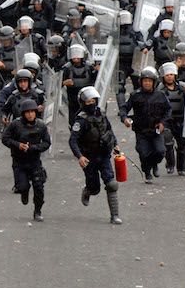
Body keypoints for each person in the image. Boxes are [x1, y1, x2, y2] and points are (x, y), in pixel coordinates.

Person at [69, 87, 122, 224]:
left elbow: (109, 130)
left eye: (93, 100)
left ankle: (114, 216)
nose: (91, 103)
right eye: (88, 102)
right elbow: (73, 140)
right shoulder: (80, 121)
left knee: (112, 184)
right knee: (95, 188)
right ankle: (88, 191)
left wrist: (115, 144)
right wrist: (80, 156)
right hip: (89, 158)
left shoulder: (101, 114)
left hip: (104, 156)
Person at [119, 66, 171, 184]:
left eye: (149, 81)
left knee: (160, 151)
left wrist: (163, 123)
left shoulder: (161, 95)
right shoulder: (135, 95)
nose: (147, 83)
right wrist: (125, 119)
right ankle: (147, 173)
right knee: (143, 152)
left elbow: (168, 110)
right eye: (145, 81)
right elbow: (124, 109)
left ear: (154, 82)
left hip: (156, 130)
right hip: (141, 130)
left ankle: (154, 164)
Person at [1, 99, 51, 221]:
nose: (30, 114)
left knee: (39, 187)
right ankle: (24, 192)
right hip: (19, 162)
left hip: (34, 161)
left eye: (32, 112)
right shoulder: (15, 125)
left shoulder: (41, 126)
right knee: (22, 186)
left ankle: (38, 211)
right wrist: (18, 145)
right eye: (27, 112)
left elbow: (46, 143)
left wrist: (34, 148)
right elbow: (5, 139)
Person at [157, 63, 185, 176]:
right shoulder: (160, 90)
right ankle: (170, 164)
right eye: (167, 75)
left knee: (183, 144)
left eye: (172, 74)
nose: (170, 77)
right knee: (167, 143)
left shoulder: (183, 88)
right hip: (167, 121)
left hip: (181, 120)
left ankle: (181, 167)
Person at [61, 44, 98, 126]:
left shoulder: (89, 67)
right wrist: (63, 82)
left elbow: (96, 80)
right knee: (73, 119)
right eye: (73, 54)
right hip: (73, 98)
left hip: (87, 97)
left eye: (78, 54)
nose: (75, 57)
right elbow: (58, 83)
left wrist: (97, 71)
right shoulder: (67, 68)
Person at [117, 10, 147, 107]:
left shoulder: (136, 33)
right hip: (120, 63)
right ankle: (122, 107)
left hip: (134, 62)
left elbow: (142, 47)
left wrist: (139, 61)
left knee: (138, 86)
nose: (125, 21)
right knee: (119, 86)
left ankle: (139, 106)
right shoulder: (115, 33)